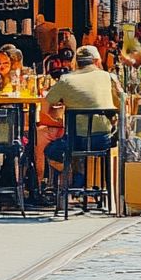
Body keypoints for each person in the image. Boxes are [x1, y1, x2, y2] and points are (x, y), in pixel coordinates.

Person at [42, 45, 124, 188]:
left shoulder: (66, 79)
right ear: (97, 62)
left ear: (76, 62)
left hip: (75, 141)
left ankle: (71, 184)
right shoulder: (110, 77)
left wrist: (58, 120)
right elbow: (121, 105)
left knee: (52, 150)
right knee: (78, 150)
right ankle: (87, 184)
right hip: (103, 141)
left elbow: (44, 107)